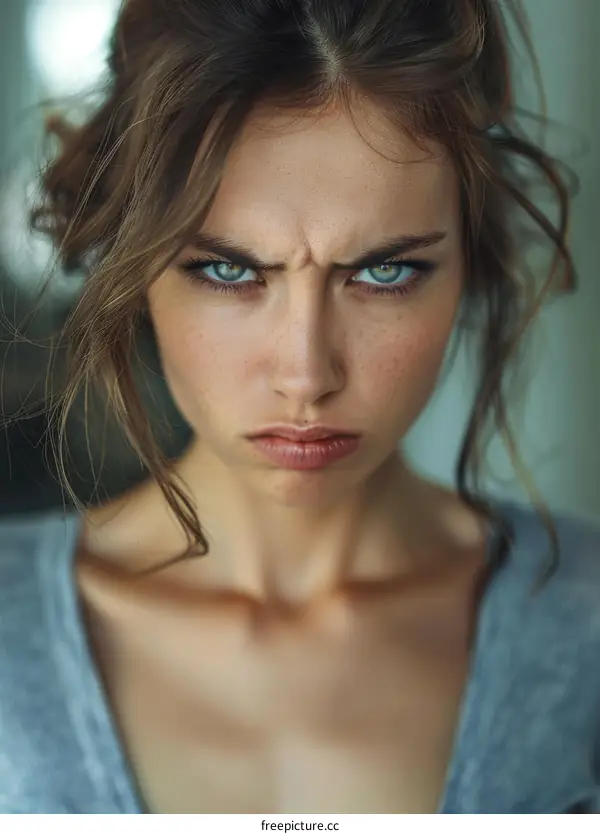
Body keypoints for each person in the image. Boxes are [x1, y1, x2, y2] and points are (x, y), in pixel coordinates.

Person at [1, 0, 599, 815]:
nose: (307, 374)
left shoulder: (584, 626)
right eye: (226, 271)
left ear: (473, 264)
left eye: (384, 273)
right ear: (136, 273)